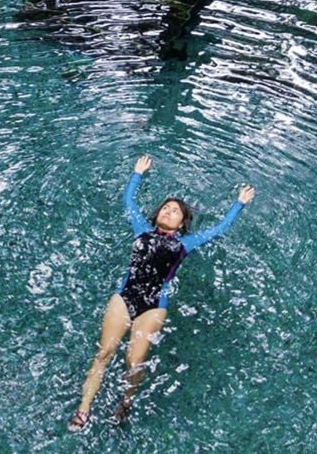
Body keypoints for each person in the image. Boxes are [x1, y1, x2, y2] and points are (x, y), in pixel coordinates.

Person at [68, 155, 255, 431]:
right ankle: (84, 409)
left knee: (134, 360)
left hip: (154, 305)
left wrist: (238, 204)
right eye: (165, 208)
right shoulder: (140, 229)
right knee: (105, 352)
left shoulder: (186, 244)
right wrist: (137, 174)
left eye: (175, 211)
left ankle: (126, 403)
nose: (168, 211)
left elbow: (219, 230)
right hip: (125, 296)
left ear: (181, 224)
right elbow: (128, 202)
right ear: (156, 215)